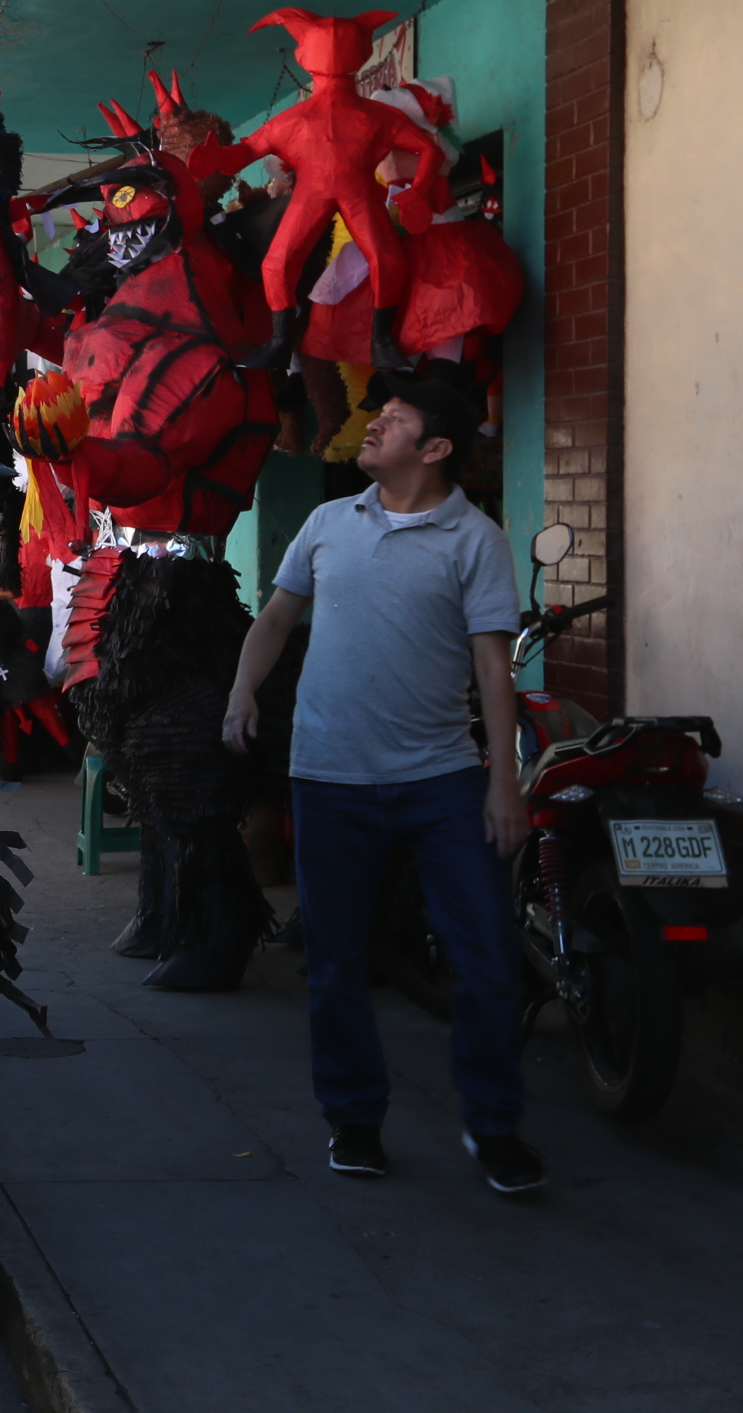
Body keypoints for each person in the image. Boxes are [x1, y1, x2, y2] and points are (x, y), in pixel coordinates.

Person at [222, 376, 543, 1196]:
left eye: (392, 421)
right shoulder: (332, 521)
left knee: (489, 960)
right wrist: (243, 691)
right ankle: (355, 1121)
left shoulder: (476, 540)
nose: (370, 427)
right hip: (329, 776)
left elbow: (491, 668)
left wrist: (503, 785)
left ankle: (494, 1125)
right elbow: (276, 618)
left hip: (441, 782)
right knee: (333, 964)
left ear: (433, 449)